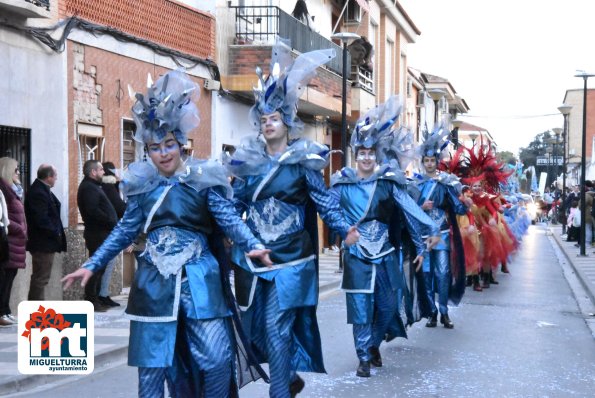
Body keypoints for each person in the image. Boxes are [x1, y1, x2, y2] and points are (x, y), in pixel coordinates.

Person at [63, 69, 272, 397]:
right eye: (155, 146)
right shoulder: (142, 186)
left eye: (169, 144)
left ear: (181, 143)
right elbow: (123, 231)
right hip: (152, 287)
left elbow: (228, 218)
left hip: (200, 283)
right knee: (150, 374)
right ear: (148, 149)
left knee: (217, 359)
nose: (163, 152)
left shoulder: (203, 180)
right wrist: (92, 264)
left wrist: (252, 244)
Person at [223, 39, 359, 397]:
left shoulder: (303, 163)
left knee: (277, 327)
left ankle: (279, 391)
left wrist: (344, 229)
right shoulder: (249, 165)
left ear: (287, 122)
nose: (268, 124)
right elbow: (232, 206)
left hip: (293, 260)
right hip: (255, 261)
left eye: (274, 118)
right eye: (263, 119)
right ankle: (288, 376)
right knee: (255, 330)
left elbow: (325, 202)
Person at [330, 96, 440, 377]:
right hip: (356, 256)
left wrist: (428, 233)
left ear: (377, 155)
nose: (367, 157)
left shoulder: (388, 183)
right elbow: (328, 211)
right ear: (355, 154)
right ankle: (363, 357)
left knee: (389, 306)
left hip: (386, 254)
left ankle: (373, 344)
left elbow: (410, 211)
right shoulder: (342, 183)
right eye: (362, 152)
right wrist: (344, 232)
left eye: (371, 153)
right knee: (360, 310)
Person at [415, 126, 468, 329]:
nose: (429, 164)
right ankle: (432, 313)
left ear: (437, 162)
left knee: (443, 273)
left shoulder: (445, 183)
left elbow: (457, 208)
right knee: (426, 275)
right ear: (423, 162)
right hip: (423, 237)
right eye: (426, 161)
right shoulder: (415, 184)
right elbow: (408, 209)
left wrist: (465, 205)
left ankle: (444, 312)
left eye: (432, 161)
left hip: (442, 235)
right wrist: (421, 206)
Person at [77, 159, 118, 312]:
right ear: (93, 172)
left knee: (100, 268)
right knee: (96, 268)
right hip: (97, 234)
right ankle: (91, 300)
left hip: (102, 233)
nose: (103, 172)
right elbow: (93, 211)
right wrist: (109, 220)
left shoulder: (94, 186)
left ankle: (95, 299)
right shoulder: (89, 188)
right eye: (101, 169)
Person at [25, 164, 67, 301]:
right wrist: (56, 232)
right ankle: (35, 313)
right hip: (42, 242)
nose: (56, 178)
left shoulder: (43, 189)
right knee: (40, 278)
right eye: (55, 175)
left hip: (46, 242)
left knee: (42, 278)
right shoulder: (38, 192)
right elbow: (41, 219)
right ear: (49, 177)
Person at [0, 158, 27, 326]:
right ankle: (2, 312)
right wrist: (20, 229)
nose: (18, 173)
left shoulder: (13, 190)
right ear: (7, 170)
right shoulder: (4, 190)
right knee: (5, 278)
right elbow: (6, 217)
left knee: (10, 277)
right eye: (16, 170)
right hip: (9, 240)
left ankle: (6, 311)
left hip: (16, 241)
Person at [97, 161, 127, 307]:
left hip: (106, 231)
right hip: (107, 231)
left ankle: (103, 294)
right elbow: (120, 207)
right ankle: (101, 295)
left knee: (107, 265)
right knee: (107, 265)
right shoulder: (108, 186)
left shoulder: (106, 186)